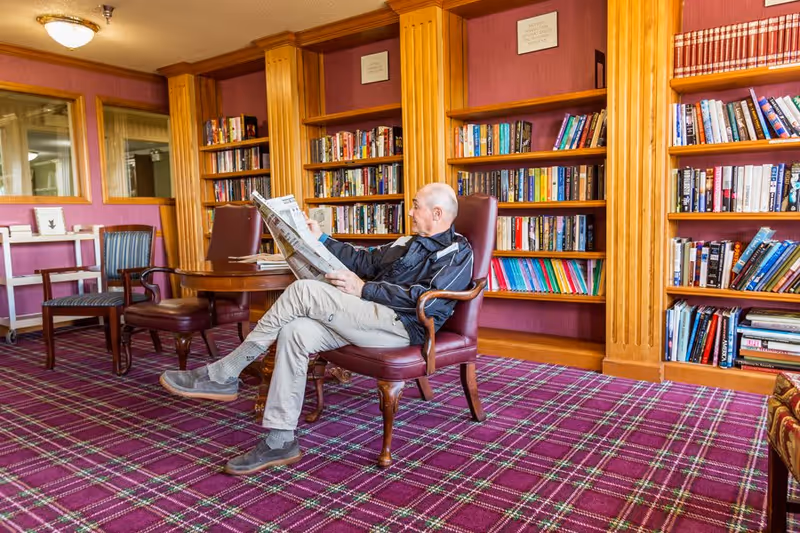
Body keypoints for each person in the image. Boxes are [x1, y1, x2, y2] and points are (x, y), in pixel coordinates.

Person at [159, 182, 474, 475]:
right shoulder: (408, 241)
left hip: (404, 325)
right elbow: (365, 261)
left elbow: (427, 301)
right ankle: (280, 440)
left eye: (416, 206)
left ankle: (226, 372)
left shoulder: (458, 252)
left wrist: (364, 290)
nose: (410, 212)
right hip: (368, 316)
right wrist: (320, 239)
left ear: (437, 213)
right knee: (295, 330)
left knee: (303, 290)